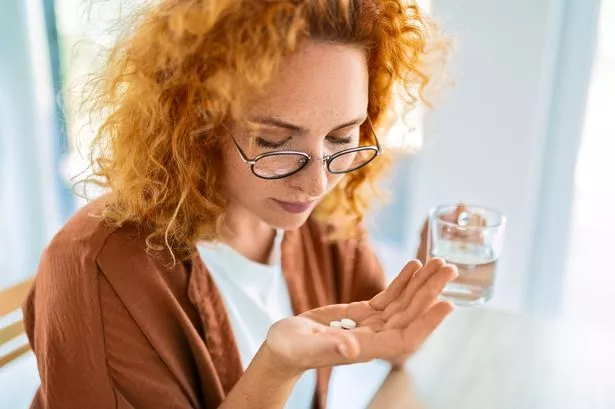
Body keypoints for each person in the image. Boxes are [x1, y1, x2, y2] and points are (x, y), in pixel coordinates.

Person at [23, 0, 456, 408]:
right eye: (274, 142)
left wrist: (419, 293)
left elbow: (387, 340)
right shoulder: (97, 271)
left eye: (342, 137)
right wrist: (276, 368)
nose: (316, 182)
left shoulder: (319, 216)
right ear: (197, 123)